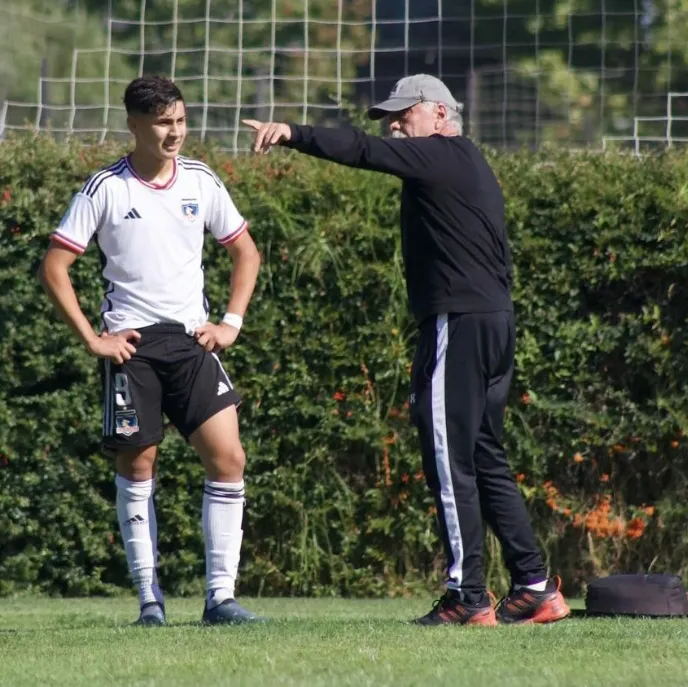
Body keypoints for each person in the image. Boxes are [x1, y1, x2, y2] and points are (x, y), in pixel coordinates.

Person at [244, 74, 570, 626]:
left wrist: (292, 132)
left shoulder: (441, 154)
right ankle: (535, 587)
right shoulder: (462, 160)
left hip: (460, 323)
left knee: (448, 459)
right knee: (484, 455)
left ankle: (467, 598)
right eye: (391, 117)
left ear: (440, 115)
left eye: (404, 113)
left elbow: (364, 150)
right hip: (492, 321)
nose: (395, 124)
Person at [39, 75, 263, 626]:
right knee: (138, 465)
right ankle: (150, 602)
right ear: (135, 125)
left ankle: (221, 599)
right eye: (164, 122)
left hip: (190, 343)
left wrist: (230, 323)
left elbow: (246, 254)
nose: (176, 133)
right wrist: (94, 338)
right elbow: (55, 266)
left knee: (228, 459)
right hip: (132, 348)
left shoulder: (201, 181)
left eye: (181, 121)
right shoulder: (105, 188)